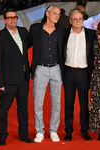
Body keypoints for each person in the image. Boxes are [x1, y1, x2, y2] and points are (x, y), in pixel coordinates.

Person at [0, 8, 34, 146]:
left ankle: (24, 134)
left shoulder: (23, 32)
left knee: (23, 109)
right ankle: (2, 136)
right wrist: (0, 84)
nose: (13, 19)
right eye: (9, 18)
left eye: (14, 17)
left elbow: (24, 50)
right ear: (4, 20)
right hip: (8, 81)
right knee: (3, 110)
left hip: (23, 79)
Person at [27, 5, 65, 143]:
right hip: (40, 69)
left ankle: (53, 130)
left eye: (59, 14)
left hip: (56, 69)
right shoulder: (36, 29)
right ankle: (39, 131)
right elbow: (25, 45)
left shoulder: (61, 30)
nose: (57, 16)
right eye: (55, 13)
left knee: (56, 103)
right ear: (47, 14)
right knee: (38, 103)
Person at [63, 9, 97, 141]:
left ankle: (84, 130)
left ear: (83, 20)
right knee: (68, 104)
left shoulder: (91, 34)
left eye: (80, 19)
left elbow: (96, 55)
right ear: (70, 20)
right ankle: (68, 131)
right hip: (68, 73)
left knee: (84, 104)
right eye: (75, 19)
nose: (78, 21)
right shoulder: (64, 34)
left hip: (84, 73)